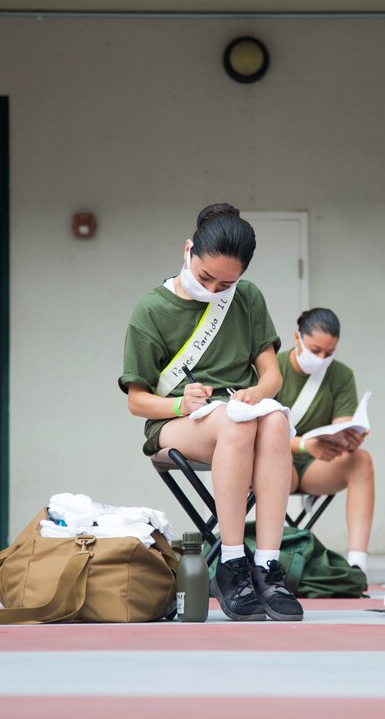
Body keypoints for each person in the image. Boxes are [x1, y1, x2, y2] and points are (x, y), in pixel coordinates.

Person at [119, 203, 302, 622]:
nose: (216, 289)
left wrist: (256, 393)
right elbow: (136, 400)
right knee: (235, 425)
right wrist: (182, 403)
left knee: (275, 420)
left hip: (239, 411)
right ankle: (232, 562)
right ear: (188, 251)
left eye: (227, 283)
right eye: (206, 277)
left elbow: (272, 375)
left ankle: (269, 566)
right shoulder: (151, 310)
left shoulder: (249, 297)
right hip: (175, 423)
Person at [274, 308, 374, 574]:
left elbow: (341, 427)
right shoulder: (274, 368)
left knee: (361, 461)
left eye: (329, 353)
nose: (321, 359)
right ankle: (267, 560)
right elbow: (259, 433)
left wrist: (351, 439)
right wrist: (305, 445)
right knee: (271, 456)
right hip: (276, 460)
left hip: (318, 465)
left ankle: (357, 564)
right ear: (297, 338)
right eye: (315, 350)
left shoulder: (341, 375)